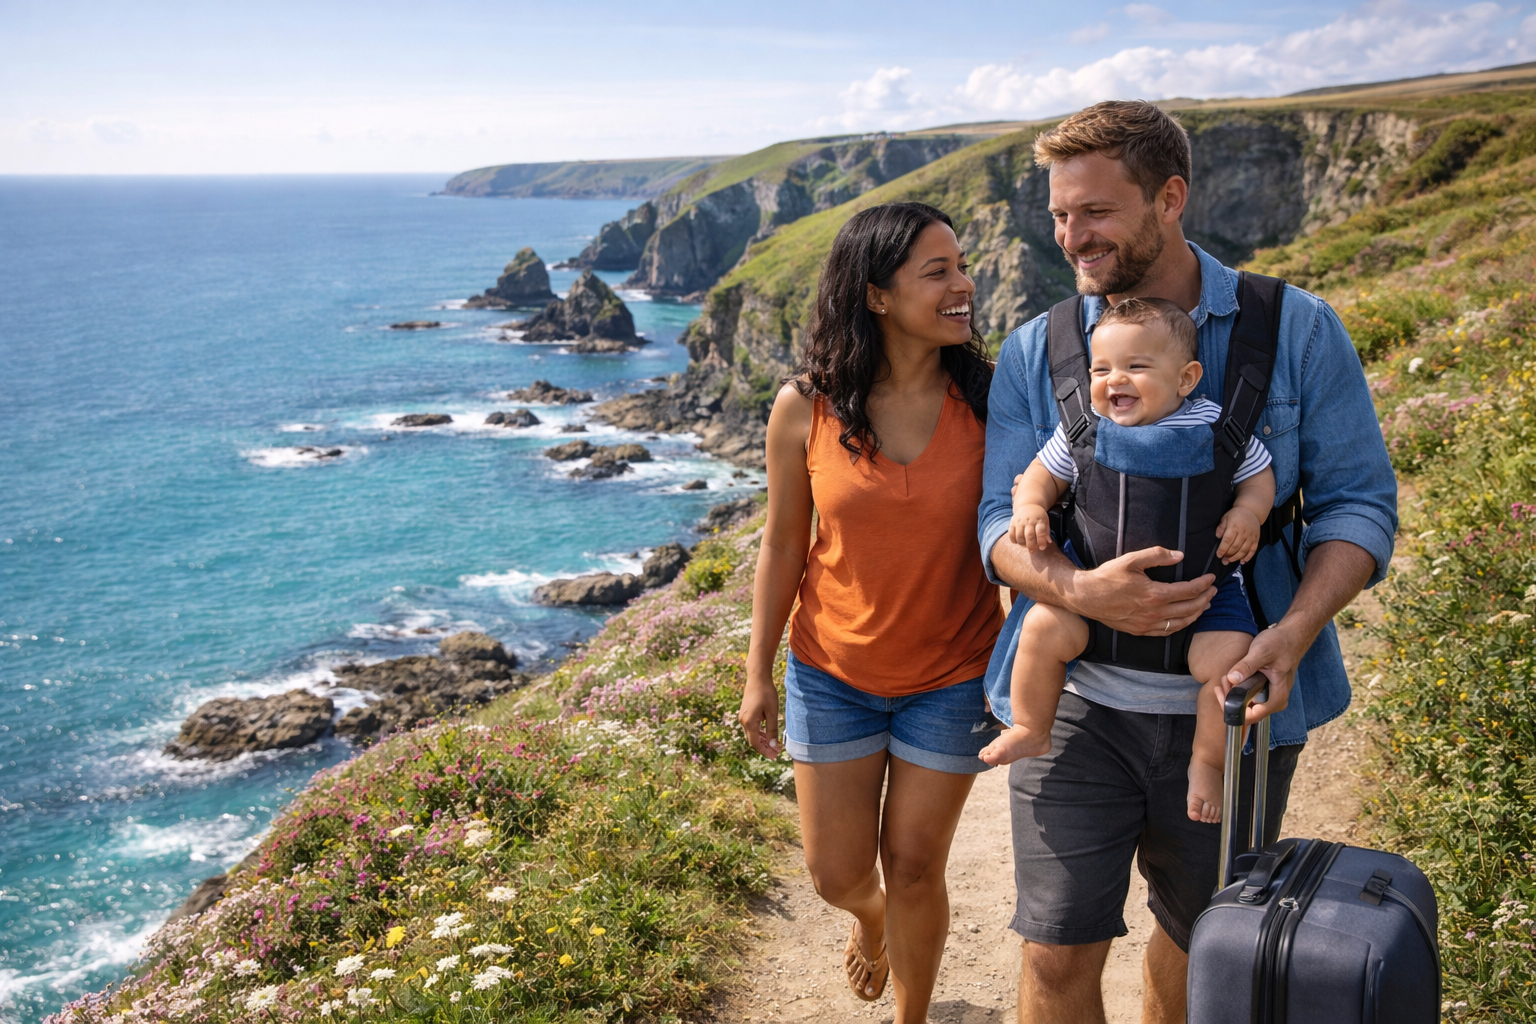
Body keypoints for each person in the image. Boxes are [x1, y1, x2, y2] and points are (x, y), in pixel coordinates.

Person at [978, 101, 1397, 1024]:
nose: (1069, 237)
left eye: (1094, 211)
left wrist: (1289, 635)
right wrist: (1080, 592)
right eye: (1057, 214)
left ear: (1170, 197)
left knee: (1203, 945)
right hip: (1079, 710)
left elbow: (1359, 507)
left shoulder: (1297, 330)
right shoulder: (1036, 349)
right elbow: (995, 527)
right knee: (1054, 954)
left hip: (1235, 712)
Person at [738, 201, 1003, 1024]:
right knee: (837, 874)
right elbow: (784, 546)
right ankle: (871, 920)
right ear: (877, 295)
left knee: (918, 863)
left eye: (962, 266)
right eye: (939, 272)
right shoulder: (804, 407)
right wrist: (758, 674)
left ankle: (912, 1016)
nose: (964, 285)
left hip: (954, 674)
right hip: (832, 673)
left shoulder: (995, 402)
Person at [978, 296, 1277, 825]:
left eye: (1137, 367)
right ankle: (1031, 724)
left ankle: (1206, 762)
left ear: (1186, 378)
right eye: (1102, 368)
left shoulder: (1217, 427)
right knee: (1044, 628)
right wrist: (1029, 506)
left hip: (1204, 597)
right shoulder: (1084, 430)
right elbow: (1042, 474)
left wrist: (1249, 513)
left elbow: (1258, 476)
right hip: (1093, 594)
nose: (1115, 380)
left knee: (1230, 664)